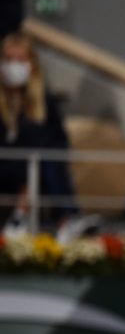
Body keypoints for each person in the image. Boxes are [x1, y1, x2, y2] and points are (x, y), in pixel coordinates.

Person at [0, 31, 76, 229]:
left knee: (51, 161)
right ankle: (21, 215)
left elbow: (59, 141)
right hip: (5, 165)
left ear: (31, 64)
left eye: (20, 60)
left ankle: (67, 223)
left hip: (36, 167)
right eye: (8, 60)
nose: (13, 66)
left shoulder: (45, 102)